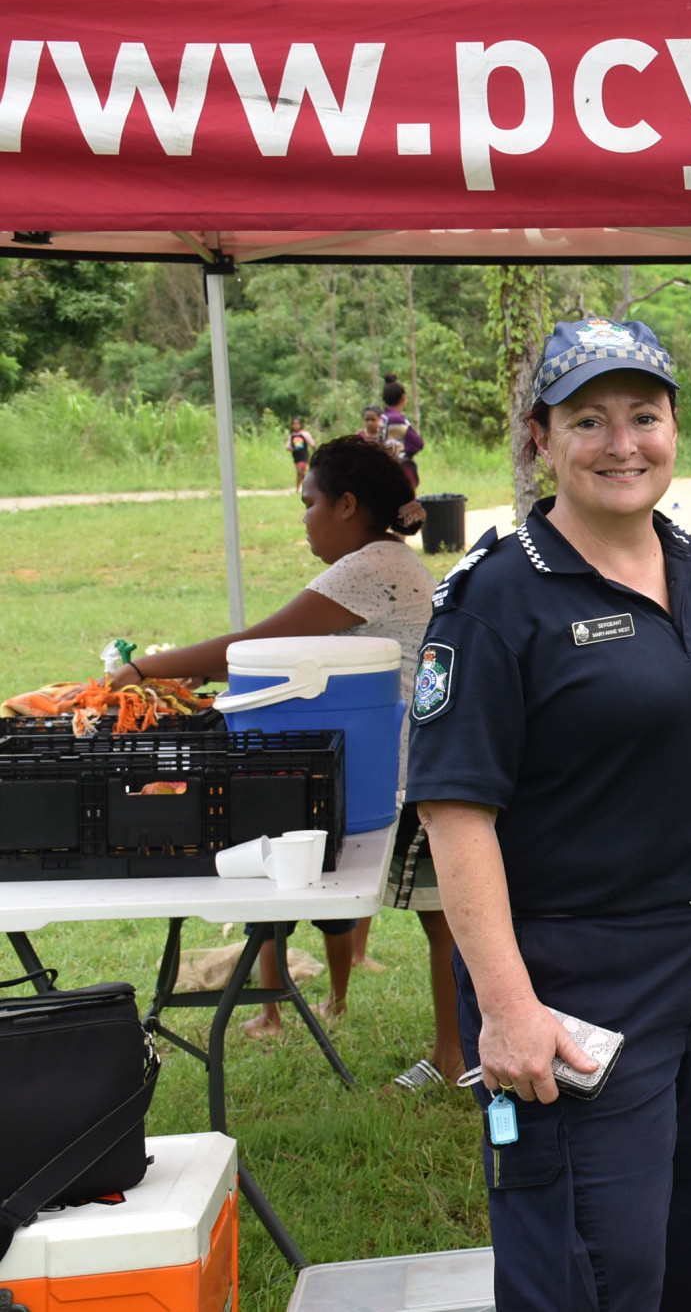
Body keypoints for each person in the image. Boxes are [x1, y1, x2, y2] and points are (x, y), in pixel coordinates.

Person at [406, 317, 691, 1308]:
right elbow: (453, 813)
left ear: (674, 428)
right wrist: (502, 1006)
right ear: (540, 440)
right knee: (597, 1255)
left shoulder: (688, 560)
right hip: (585, 966)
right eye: (587, 419)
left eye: (644, 415)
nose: (621, 442)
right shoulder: (495, 598)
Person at [104, 437, 439, 1043]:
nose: (304, 520)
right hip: (406, 754)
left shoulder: (372, 568)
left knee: (444, 920)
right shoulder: (387, 560)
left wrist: (145, 669)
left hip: (406, 762)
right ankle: (448, 1049)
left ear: (346, 505)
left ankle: (452, 1055)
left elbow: (259, 647)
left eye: (309, 503)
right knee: (442, 920)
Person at [383, 375, 423, 492]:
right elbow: (417, 443)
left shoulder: (382, 417)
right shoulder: (397, 420)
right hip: (398, 467)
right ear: (403, 398)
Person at [285, 418, 316, 491]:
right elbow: (288, 447)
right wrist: (291, 449)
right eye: (294, 424)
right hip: (296, 457)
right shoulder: (292, 436)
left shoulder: (305, 434)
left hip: (303, 456)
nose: (296, 426)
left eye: (297, 424)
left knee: (300, 471)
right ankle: (303, 486)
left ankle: (299, 488)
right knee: (299, 473)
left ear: (301, 425)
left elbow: (312, 444)